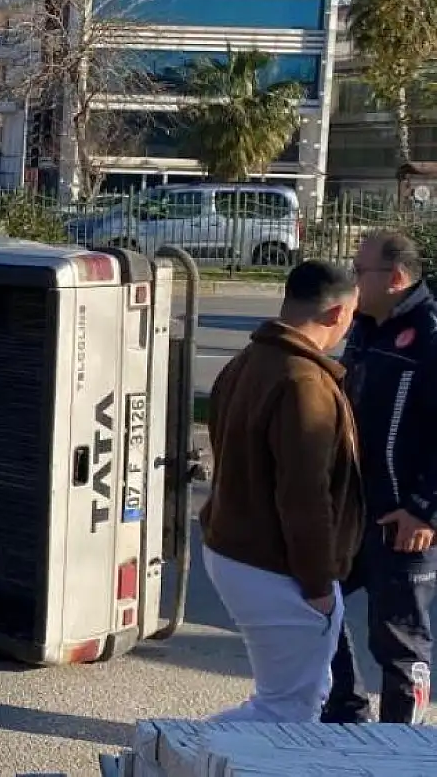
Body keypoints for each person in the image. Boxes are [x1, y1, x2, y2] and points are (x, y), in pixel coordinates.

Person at [200, 259, 362, 723]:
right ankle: (157, 760)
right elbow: (304, 494)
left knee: (285, 703)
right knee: (287, 711)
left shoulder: (246, 361)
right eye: (351, 316)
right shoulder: (305, 381)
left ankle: (158, 760)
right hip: (274, 564)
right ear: (335, 314)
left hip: (234, 547)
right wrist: (317, 583)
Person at [323, 230, 437, 725]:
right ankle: (346, 712)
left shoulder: (429, 334)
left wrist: (424, 508)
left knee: (399, 641)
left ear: (394, 278)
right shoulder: (368, 327)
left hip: (404, 518)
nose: (352, 281)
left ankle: (400, 748)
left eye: (359, 271)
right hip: (354, 509)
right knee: (313, 604)